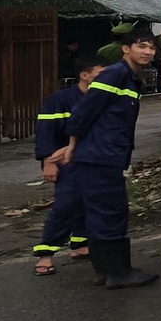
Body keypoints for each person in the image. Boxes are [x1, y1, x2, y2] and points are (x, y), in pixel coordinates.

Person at [52, 29, 159, 289]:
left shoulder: (131, 78)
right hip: (101, 155)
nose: (147, 52)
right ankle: (118, 272)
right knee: (111, 211)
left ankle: (106, 271)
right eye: (141, 46)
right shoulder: (115, 74)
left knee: (101, 212)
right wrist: (73, 144)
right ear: (126, 48)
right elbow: (85, 110)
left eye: (152, 48)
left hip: (106, 153)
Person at [30, 59, 104, 275]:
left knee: (87, 202)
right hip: (65, 161)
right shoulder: (60, 100)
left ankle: (79, 243)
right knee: (65, 205)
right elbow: (45, 132)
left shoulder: (101, 98)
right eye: (100, 73)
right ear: (85, 75)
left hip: (93, 160)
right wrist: (48, 162)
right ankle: (46, 253)